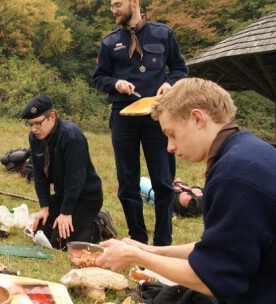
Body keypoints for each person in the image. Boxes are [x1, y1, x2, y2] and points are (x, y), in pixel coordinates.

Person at [95, 78, 276, 303]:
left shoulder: (235, 174)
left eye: (171, 133)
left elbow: (215, 278)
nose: (169, 146)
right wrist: (153, 251)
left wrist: (135, 255)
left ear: (197, 118)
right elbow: (221, 248)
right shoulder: (245, 152)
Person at [91, 0, 188, 245]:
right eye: (111, 5)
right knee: (127, 183)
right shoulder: (110, 42)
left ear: (134, 2)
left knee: (164, 182)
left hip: (158, 117)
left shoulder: (163, 33)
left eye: (117, 4)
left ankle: (163, 242)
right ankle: (138, 239)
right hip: (123, 116)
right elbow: (99, 77)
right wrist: (116, 84)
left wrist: (170, 83)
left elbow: (180, 69)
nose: (113, 10)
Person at [22, 95, 104, 250]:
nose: (34, 129)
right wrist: (44, 207)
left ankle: (97, 225)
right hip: (63, 195)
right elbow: (39, 175)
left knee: (61, 243)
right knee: (39, 232)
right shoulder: (34, 138)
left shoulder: (71, 136)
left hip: (86, 197)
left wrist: (66, 213)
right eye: (30, 124)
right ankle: (72, 220)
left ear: (52, 116)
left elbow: (76, 178)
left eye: (37, 124)